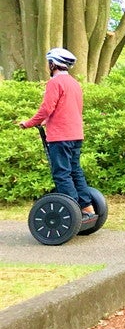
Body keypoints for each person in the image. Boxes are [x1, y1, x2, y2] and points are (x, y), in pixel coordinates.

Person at [18, 48, 97, 221]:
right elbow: (69, 109)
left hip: (60, 137)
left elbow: (46, 108)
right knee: (75, 171)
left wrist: (29, 122)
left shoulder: (54, 83)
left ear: (53, 64)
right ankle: (88, 209)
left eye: (49, 63)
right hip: (75, 134)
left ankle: (73, 213)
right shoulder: (74, 83)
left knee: (61, 173)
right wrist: (47, 121)